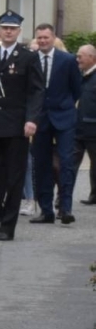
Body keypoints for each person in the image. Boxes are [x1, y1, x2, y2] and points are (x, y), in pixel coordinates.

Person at [0, 10, 44, 241]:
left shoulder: (28, 57)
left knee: (15, 177)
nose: (8, 31)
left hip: (17, 124)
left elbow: (36, 90)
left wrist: (31, 119)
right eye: (5, 28)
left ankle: (8, 227)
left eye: (12, 28)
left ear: (18, 31)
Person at [28, 23, 81, 225]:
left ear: (53, 38)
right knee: (41, 164)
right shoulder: (31, 60)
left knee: (66, 162)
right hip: (40, 119)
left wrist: (65, 105)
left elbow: (76, 89)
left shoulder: (67, 60)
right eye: (39, 38)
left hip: (64, 117)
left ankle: (65, 208)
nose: (42, 41)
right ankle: (46, 210)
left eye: (46, 37)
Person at [74, 44, 96, 207]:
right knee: (70, 164)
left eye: (81, 56)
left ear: (92, 58)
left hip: (93, 129)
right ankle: (63, 198)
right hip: (76, 128)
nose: (78, 59)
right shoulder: (79, 75)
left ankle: (94, 194)